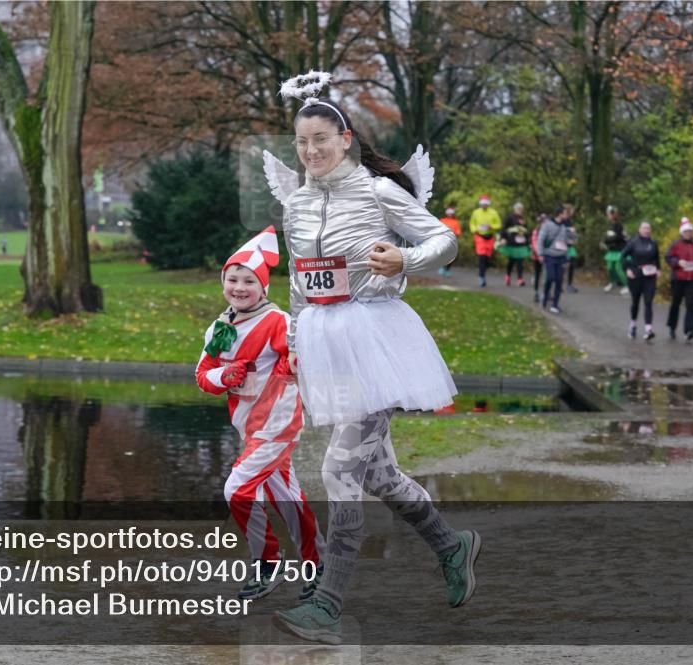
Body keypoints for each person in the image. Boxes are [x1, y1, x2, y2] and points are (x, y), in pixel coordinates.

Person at [265, 75, 480, 644]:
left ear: (345, 138)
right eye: (301, 142)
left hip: (376, 340)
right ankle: (451, 545)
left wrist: (403, 260)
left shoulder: (377, 191)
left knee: (339, 469)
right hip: (322, 342)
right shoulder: (297, 201)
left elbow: (444, 241)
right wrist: (291, 340)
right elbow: (298, 285)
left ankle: (329, 606)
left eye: (320, 139)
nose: (310, 151)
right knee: (378, 473)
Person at [195, 226, 325, 601]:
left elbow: (301, 358)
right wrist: (225, 374)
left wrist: (293, 364)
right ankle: (318, 564)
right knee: (288, 498)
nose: (239, 286)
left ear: (263, 286)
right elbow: (203, 376)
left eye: (248, 280)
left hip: (278, 424)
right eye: (232, 278)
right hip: (248, 428)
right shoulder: (220, 326)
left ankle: (268, 562)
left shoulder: (278, 321)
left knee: (236, 489)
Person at [665, 217, 693, 341]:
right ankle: (672, 327)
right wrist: (678, 262)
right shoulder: (675, 244)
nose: (688, 233)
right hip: (678, 278)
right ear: (682, 232)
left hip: (692, 279)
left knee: (690, 305)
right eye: (686, 231)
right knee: (675, 304)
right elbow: (668, 258)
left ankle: (689, 330)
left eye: (690, 231)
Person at [621, 221, 660, 340]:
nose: (646, 230)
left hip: (650, 276)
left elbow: (656, 257)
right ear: (639, 229)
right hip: (636, 275)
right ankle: (633, 325)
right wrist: (627, 269)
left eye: (648, 228)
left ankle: (648, 329)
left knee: (648, 302)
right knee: (635, 302)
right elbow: (623, 256)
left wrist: (658, 269)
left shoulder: (653, 243)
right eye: (644, 228)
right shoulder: (633, 242)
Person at [535, 205, 571, 314]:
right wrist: (540, 254)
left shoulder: (565, 227)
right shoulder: (547, 225)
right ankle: (545, 297)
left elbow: (567, 243)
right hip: (549, 256)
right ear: (559, 214)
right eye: (565, 213)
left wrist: (567, 258)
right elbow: (540, 240)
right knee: (550, 278)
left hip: (561, 257)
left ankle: (555, 304)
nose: (566, 215)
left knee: (559, 280)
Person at [469, 194, 501, 287]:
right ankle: (481, 277)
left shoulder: (493, 213)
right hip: (479, 237)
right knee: (481, 257)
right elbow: (472, 223)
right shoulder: (476, 212)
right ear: (480, 204)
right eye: (482, 204)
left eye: (486, 204)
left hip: (490, 237)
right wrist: (474, 229)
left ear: (488, 204)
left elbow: (498, 224)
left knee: (487, 259)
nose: (484, 206)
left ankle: (482, 273)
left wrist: (492, 227)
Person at [500, 202, 530, 286]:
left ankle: (520, 279)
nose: (520, 210)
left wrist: (527, 240)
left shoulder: (523, 219)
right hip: (512, 242)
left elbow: (526, 230)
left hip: (521, 243)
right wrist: (503, 238)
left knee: (520, 260)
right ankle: (508, 275)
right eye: (519, 209)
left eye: (521, 209)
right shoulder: (510, 218)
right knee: (512, 261)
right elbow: (504, 229)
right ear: (515, 209)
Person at [602, 205, 629, 295]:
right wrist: (606, 241)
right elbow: (608, 237)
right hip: (612, 251)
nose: (608, 215)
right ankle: (612, 283)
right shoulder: (610, 225)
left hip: (619, 250)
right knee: (610, 268)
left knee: (618, 268)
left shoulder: (619, 225)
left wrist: (608, 240)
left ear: (613, 214)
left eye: (609, 213)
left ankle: (627, 286)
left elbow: (618, 237)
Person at [437, 206, 461, 277]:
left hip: (452, 241)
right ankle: (442, 267)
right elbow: (438, 230)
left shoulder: (455, 222)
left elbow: (458, 232)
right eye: (449, 213)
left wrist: (453, 232)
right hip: (443, 240)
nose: (450, 214)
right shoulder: (442, 220)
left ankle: (447, 269)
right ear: (446, 213)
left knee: (452, 256)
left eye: (451, 213)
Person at [563, 204, 579, 293]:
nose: (573, 212)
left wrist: (574, 238)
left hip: (570, 247)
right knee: (563, 266)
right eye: (571, 210)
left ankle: (569, 285)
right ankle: (559, 284)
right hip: (563, 247)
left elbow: (574, 234)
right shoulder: (561, 221)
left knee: (572, 265)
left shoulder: (570, 221)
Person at [531, 213, 546, 303]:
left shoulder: (549, 231)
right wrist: (540, 254)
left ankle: (546, 293)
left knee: (546, 275)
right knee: (537, 274)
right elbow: (534, 243)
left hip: (546, 257)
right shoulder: (536, 232)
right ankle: (536, 292)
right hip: (537, 257)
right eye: (542, 222)